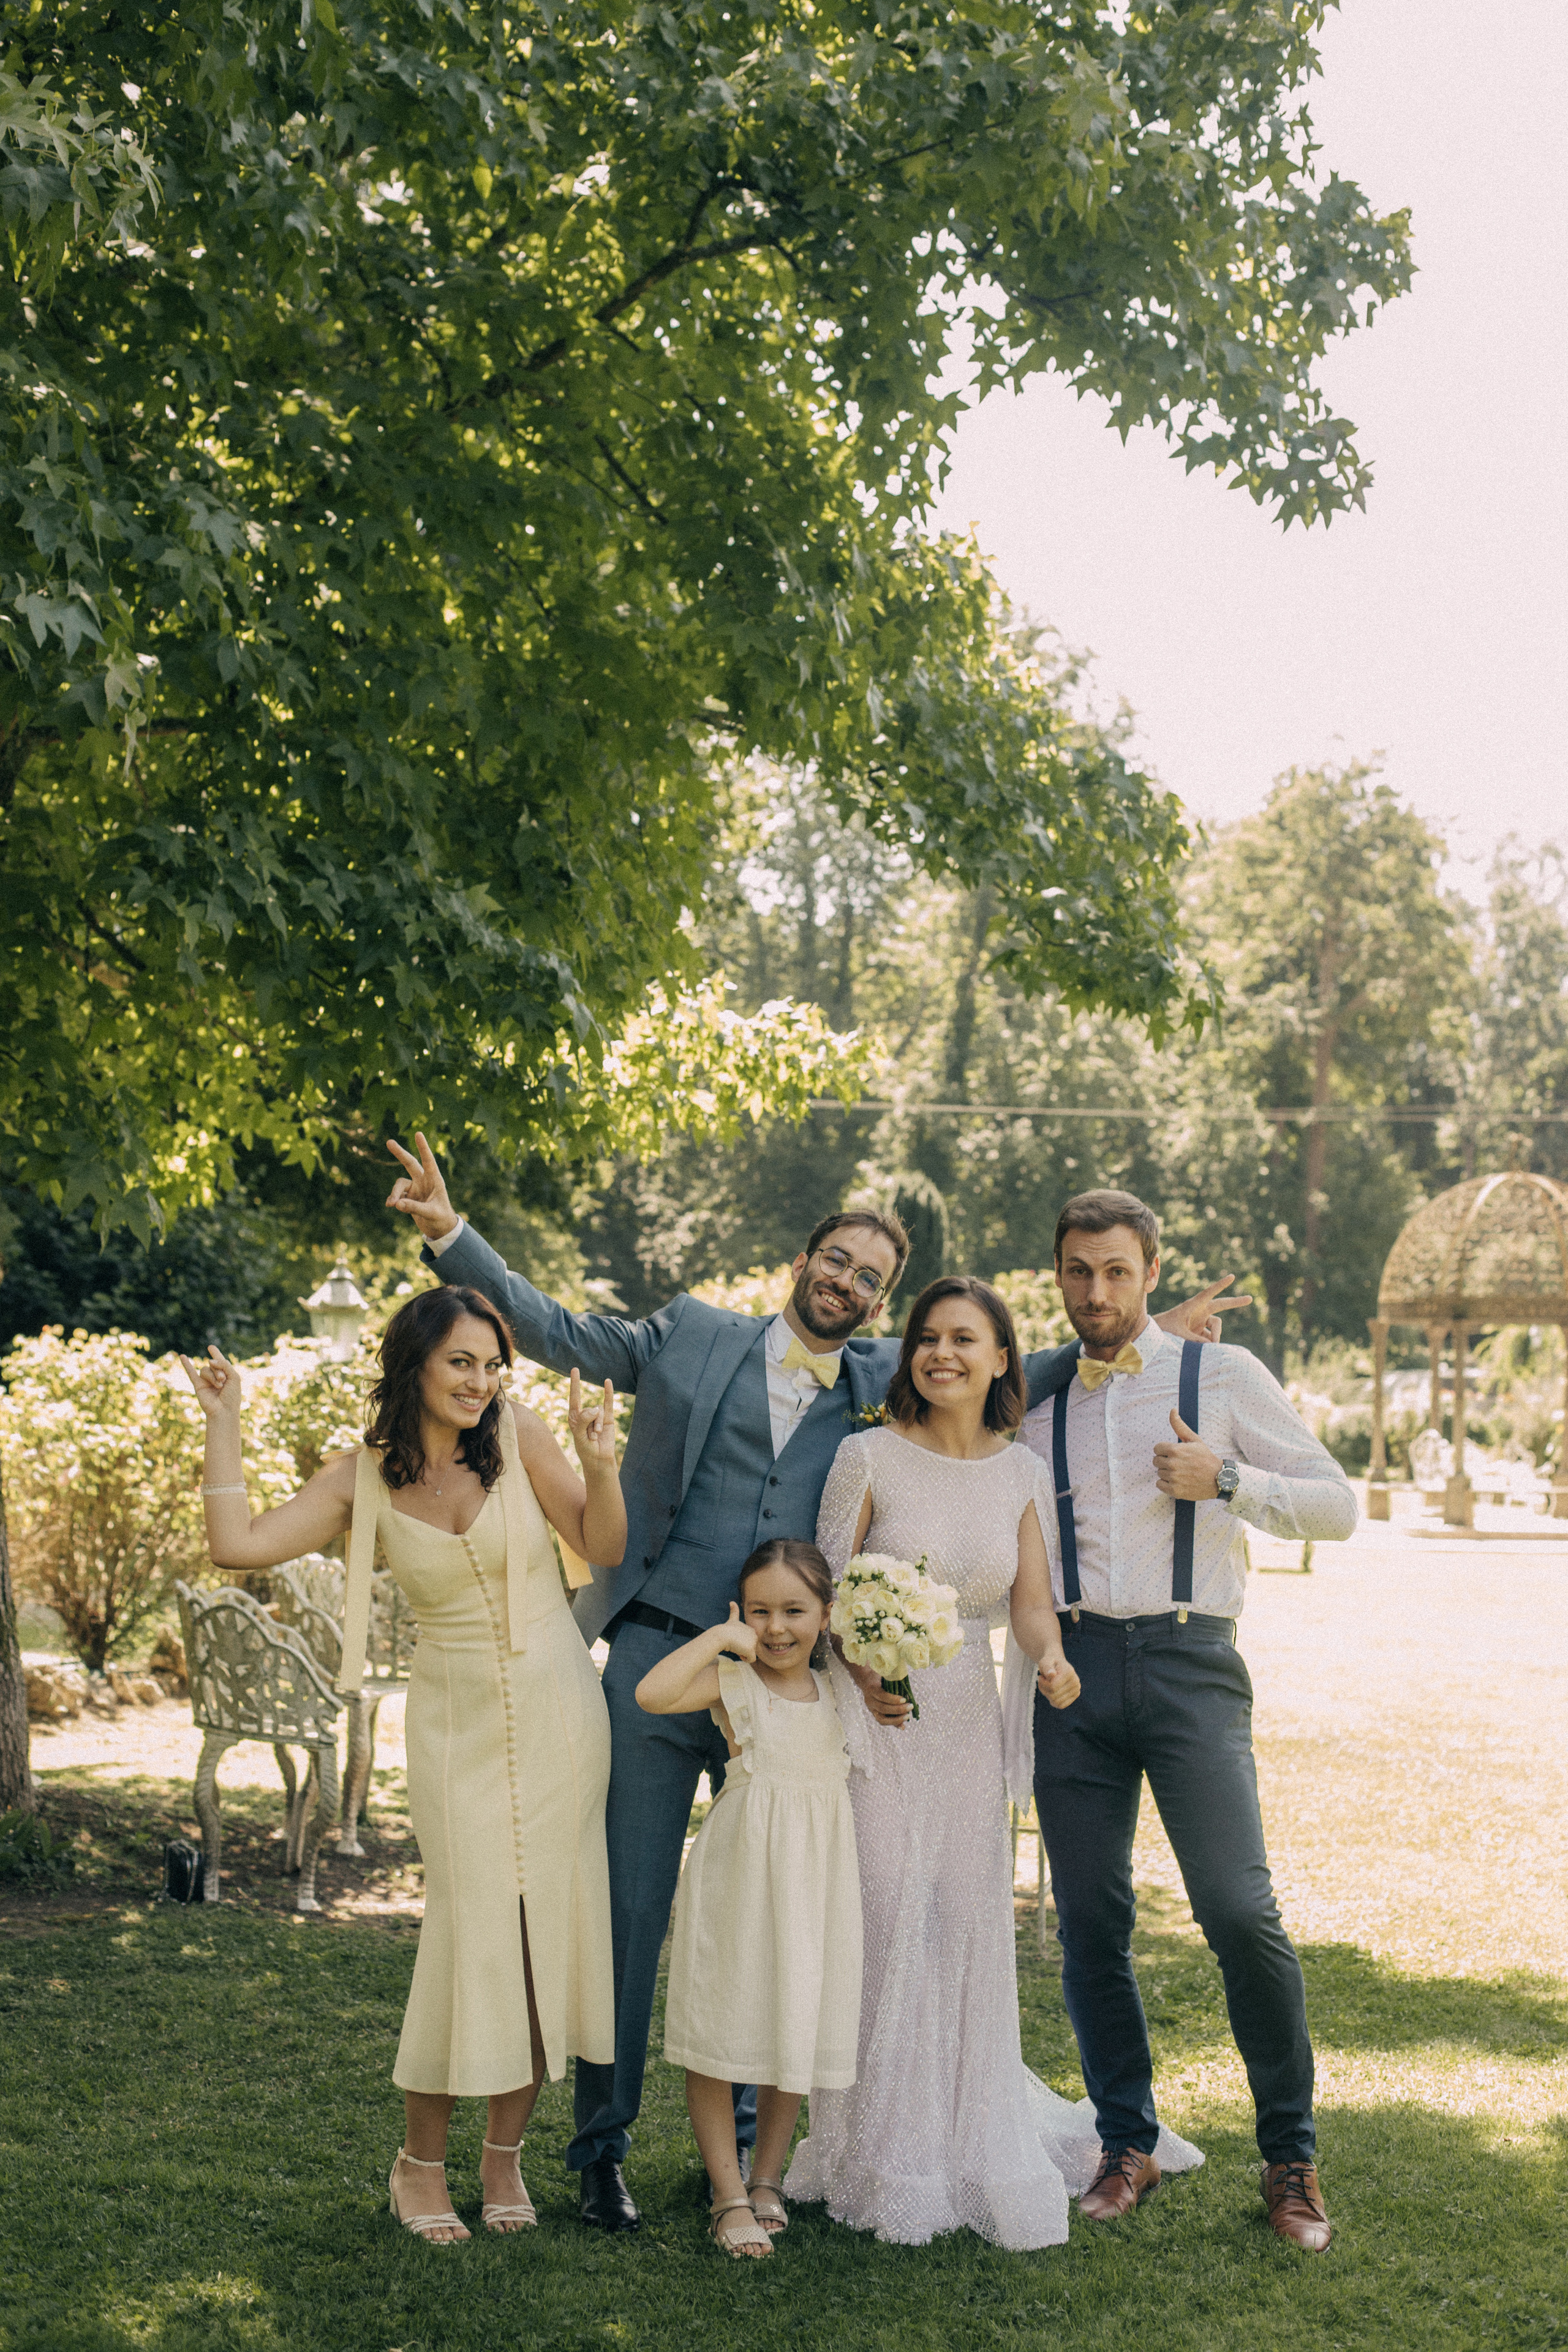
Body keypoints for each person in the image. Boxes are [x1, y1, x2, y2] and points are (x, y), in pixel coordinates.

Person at [382, 1130, 1245, 2231]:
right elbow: (557, 1331)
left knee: (782, 1909)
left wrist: (1140, 1336)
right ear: (802, 1260)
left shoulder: (885, 1377)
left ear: (878, 1304)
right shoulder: (693, 1333)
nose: (847, 1282)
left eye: (869, 1278)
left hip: (793, 1690)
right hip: (658, 1660)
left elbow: (995, 1366)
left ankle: (752, 2153)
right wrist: (451, 1234)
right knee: (630, 1915)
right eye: (836, 1260)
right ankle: (601, 2151)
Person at [181, 1284, 625, 2245]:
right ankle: (418, 2164)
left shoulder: (522, 1436)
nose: (481, 1381)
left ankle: (503, 2155)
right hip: (455, 1729)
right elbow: (236, 1545)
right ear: (415, 1363)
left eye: (493, 1363)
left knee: (541, 1940)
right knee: (470, 1937)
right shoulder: (363, 1477)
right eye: (461, 1361)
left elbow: (602, 1544)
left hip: (559, 1716)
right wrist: (225, 1421)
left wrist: (600, 1466)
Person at [788, 1275, 1202, 2247]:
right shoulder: (866, 1456)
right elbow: (826, 1590)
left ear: (1001, 1358)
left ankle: (959, 2132)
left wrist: (1051, 1660)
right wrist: (864, 1668)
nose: (943, 1353)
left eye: (964, 1338)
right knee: (885, 1903)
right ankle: (872, 2145)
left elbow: (1029, 1602)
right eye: (928, 1338)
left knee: (961, 1917)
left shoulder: (1019, 1471)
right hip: (878, 1719)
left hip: (968, 1714)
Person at [1013, 1189, 1357, 2253]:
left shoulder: (1223, 1376)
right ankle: (1127, 2142)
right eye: (1079, 1271)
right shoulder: (1034, 1399)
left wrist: (1229, 1478)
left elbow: (1339, 1505)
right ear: (1058, 1274)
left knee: (1239, 1910)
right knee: (1091, 1921)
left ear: (1151, 1272)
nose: (1097, 1290)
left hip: (1191, 1661)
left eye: (1117, 1270)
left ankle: (1289, 2157)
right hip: (1071, 1672)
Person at [635, 1540, 861, 2260]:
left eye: (794, 1610)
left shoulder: (841, 1690)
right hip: (740, 1880)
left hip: (814, 1885)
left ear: (825, 1615)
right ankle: (727, 2192)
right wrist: (717, 1639)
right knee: (722, 2026)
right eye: (759, 1612)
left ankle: (767, 2177)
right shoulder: (735, 1683)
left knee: (792, 2026)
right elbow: (651, 1694)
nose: (776, 1628)